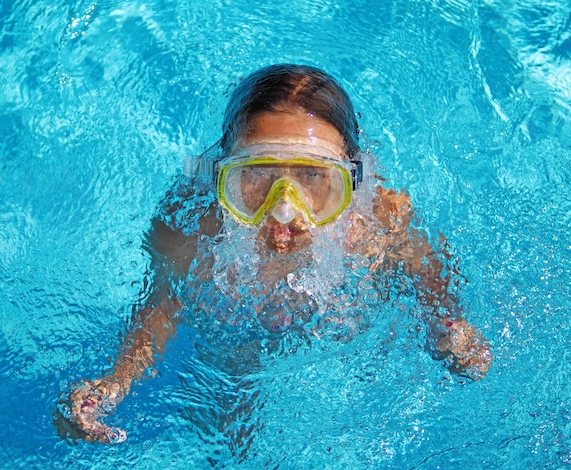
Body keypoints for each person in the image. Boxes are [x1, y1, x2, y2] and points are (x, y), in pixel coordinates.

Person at [55, 64, 491, 445]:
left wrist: (446, 322)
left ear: (353, 179)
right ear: (220, 175)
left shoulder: (382, 219)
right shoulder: (188, 224)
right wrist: (117, 380)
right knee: (229, 423)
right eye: (257, 176)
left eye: (313, 178)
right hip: (234, 338)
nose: (284, 208)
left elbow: (428, 268)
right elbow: (162, 305)